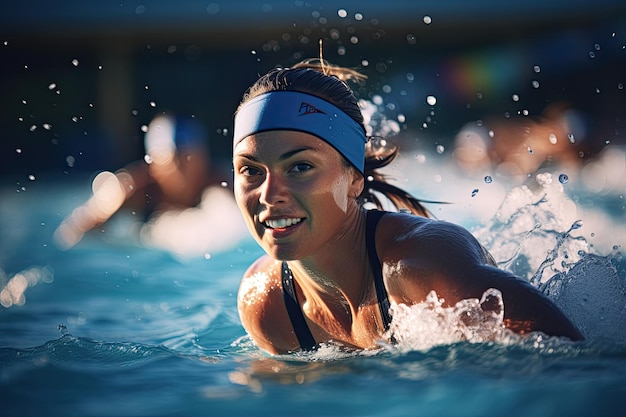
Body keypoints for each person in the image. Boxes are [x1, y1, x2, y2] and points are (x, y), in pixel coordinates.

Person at [233, 59, 584, 355]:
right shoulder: (269, 306)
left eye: (299, 167)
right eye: (250, 170)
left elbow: (574, 363)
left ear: (355, 178)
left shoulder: (423, 268)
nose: (269, 194)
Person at [54, 114, 246, 256]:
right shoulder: (133, 188)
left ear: (203, 158)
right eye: (175, 159)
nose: (184, 168)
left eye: (191, 157)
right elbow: (75, 233)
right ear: (154, 163)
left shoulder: (217, 181)